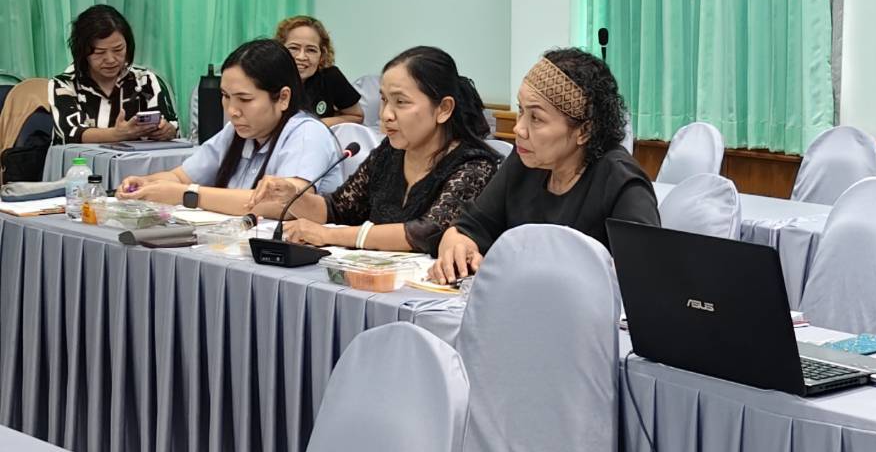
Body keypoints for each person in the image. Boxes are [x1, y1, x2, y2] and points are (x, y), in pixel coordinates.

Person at [431, 47, 658, 282]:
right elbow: (467, 228)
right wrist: (458, 249)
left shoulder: (621, 181)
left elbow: (645, 277)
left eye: (536, 118)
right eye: (521, 110)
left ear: (584, 131)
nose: (519, 129)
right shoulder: (526, 161)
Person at [247, 47, 500, 254]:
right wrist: (292, 195)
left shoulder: (474, 165)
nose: (386, 114)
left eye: (400, 102)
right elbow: (337, 208)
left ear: (443, 109)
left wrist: (329, 235)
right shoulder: (389, 152)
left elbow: (426, 232)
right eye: (384, 100)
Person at [117, 40, 344, 215]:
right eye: (226, 96)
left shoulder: (307, 134)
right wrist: (148, 183)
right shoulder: (237, 130)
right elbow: (181, 177)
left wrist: (187, 195)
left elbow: (283, 205)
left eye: (244, 99)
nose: (232, 110)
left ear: (283, 98)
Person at [50, 5, 179, 144]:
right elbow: (70, 133)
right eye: (99, 52)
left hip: (139, 158)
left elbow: (173, 127)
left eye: (118, 49)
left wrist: (167, 131)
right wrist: (118, 134)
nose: (111, 60)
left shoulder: (145, 81)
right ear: (82, 52)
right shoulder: (64, 84)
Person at [275, 15, 364, 126]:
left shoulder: (330, 77)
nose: (301, 57)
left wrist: (316, 125)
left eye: (311, 50)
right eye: (293, 48)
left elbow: (357, 116)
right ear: (280, 50)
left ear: (322, 55)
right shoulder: (266, 78)